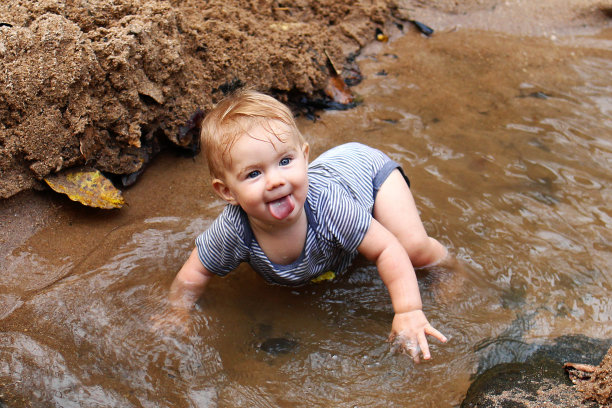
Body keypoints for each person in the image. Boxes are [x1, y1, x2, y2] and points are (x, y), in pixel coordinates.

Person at [163, 89, 449, 362]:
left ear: (305, 156)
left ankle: (448, 265)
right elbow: (195, 271)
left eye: (285, 161)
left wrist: (408, 309)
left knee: (411, 249)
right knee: (360, 244)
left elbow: (388, 249)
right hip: (345, 196)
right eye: (253, 174)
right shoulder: (233, 230)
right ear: (227, 192)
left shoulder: (329, 205)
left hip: (368, 176)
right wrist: (177, 311)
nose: (276, 180)